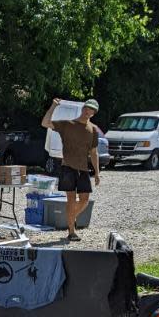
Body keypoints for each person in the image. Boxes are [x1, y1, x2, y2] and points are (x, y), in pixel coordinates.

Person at [40, 97, 100, 241]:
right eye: (86, 108)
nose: (88, 111)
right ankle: (71, 231)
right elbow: (45, 123)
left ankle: (71, 218)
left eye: (91, 109)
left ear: (94, 112)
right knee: (71, 199)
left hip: (83, 169)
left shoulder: (93, 130)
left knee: (85, 200)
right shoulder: (68, 125)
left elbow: (94, 152)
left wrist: (97, 172)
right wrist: (54, 106)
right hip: (68, 167)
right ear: (82, 108)